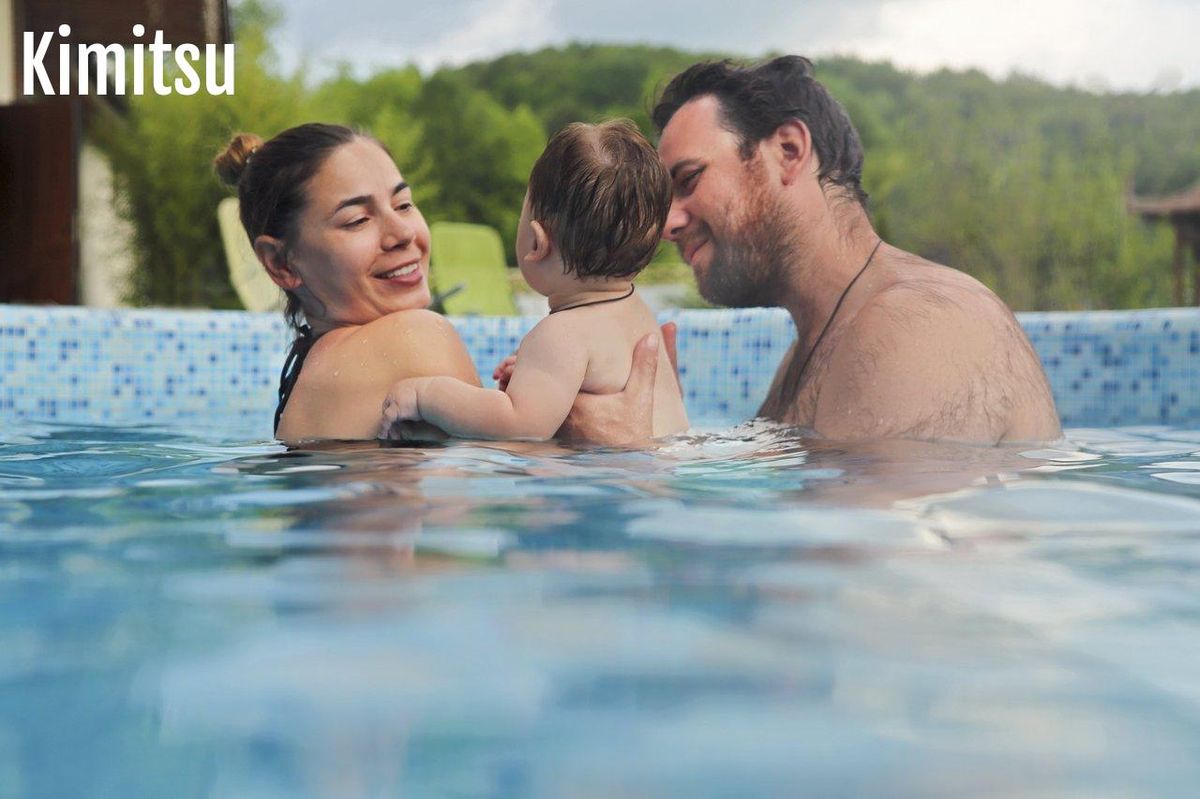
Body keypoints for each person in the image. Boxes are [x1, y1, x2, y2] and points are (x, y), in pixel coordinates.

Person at [560, 56, 1061, 445]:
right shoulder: (815, 349)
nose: (668, 222)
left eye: (688, 180)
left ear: (788, 152)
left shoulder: (920, 324)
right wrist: (656, 429)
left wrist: (635, 458)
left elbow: (858, 563)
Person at [377, 120, 688, 442]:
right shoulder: (638, 316)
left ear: (537, 241)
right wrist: (541, 380)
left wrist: (427, 393)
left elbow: (520, 425)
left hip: (612, 483)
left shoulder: (560, 335)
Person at [214, 123, 480, 442]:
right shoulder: (413, 335)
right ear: (280, 263)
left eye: (404, 205)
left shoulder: (309, 369)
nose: (403, 234)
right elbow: (484, 481)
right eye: (357, 220)